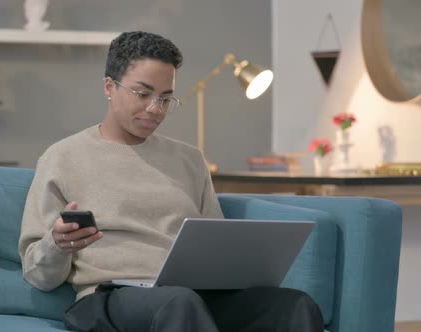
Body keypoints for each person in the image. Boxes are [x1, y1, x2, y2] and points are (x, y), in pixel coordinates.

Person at [18, 31, 324, 332]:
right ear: (110, 87)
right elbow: (37, 273)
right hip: (110, 297)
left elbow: (215, 245)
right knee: (178, 302)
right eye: (143, 93)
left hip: (191, 296)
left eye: (166, 98)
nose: (156, 108)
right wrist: (58, 244)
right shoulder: (63, 157)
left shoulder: (189, 160)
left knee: (294, 305)